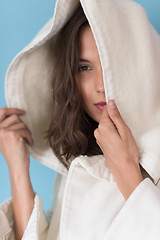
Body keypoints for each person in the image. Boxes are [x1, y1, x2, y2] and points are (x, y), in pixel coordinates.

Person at [0, 0, 160, 239]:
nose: (101, 86)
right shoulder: (78, 162)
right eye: (84, 68)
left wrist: (128, 171)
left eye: (110, 65)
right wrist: (18, 168)